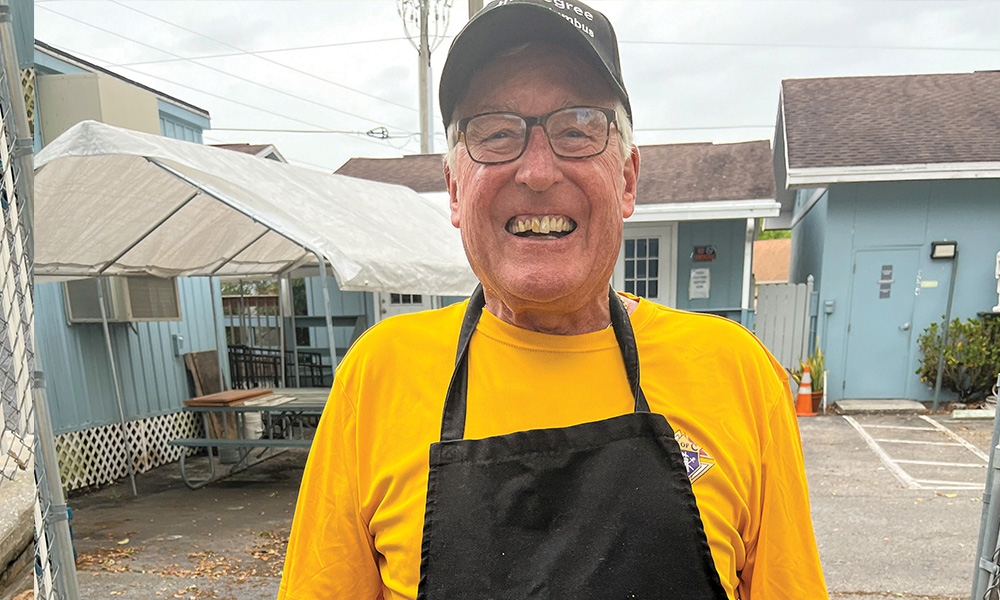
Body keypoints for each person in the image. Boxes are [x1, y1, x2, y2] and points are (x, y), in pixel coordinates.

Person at [278, 1, 827, 598]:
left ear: (627, 179)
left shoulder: (735, 374)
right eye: (495, 133)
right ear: (455, 190)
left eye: (577, 129)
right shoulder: (378, 376)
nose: (537, 171)